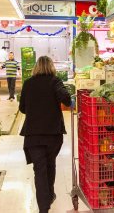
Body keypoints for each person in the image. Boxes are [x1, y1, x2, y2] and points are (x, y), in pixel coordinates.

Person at [19, 56, 71, 213]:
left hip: (33, 135)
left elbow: (22, 108)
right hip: (53, 134)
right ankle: (48, 196)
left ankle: (44, 205)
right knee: (50, 164)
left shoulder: (28, 83)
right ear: (51, 66)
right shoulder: (55, 81)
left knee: (39, 169)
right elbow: (67, 100)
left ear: (36, 67)